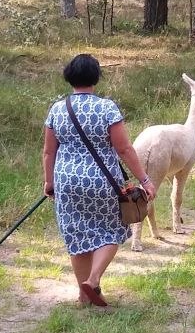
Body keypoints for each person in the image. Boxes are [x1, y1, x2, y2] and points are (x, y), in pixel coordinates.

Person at [42, 54, 156, 309]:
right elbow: (124, 148)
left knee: (77, 234)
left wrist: (49, 182)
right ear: (95, 78)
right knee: (112, 228)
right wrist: (144, 179)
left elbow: (49, 151)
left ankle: (84, 295)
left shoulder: (57, 109)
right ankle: (93, 280)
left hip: (67, 181)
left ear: (69, 77)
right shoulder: (106, 108)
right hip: (102, 181)